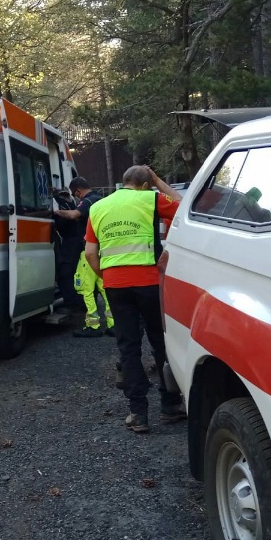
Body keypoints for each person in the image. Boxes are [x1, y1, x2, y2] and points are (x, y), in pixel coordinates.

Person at [84, 165, 184, 433]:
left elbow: (90, 253)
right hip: (149, 283)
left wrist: (106, 277)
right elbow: (183, 207)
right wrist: (158, 182)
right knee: (160, 343)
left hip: (116, 285)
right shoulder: (149, 198)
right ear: (144, 184)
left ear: (123, 181)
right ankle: (171, 405)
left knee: (128, 347)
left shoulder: (98, 207)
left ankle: (138, 414)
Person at [54, 177, 111, 332]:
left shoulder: (90, 200)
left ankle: (92, 326)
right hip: (100, 248)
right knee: (102, 287)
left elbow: (74, 215)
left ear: (78, 191)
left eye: (75, 194)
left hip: (90, 248)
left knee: (85, 286)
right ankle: (113, 325)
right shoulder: (100, 199)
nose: (76, 197)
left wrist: (56, 212)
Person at [51, 187, 84, 312]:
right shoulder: (74, 202)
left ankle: (73, 302)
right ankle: (77, 301)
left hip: (71, 241)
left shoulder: (59, 203)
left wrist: (57, 212)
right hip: (77, 240)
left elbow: (63, 222)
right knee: (72, 271)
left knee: (65, 271)